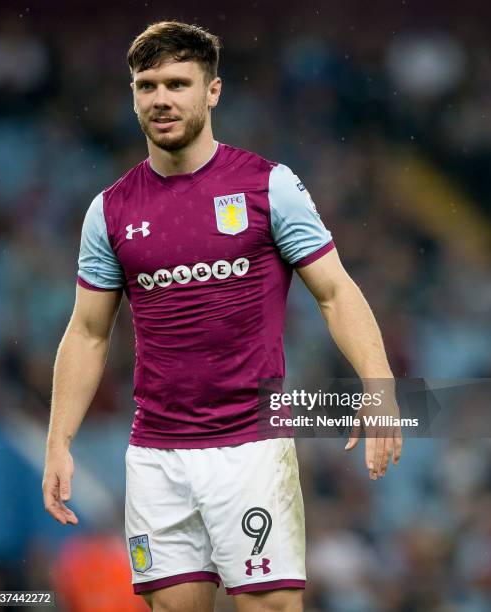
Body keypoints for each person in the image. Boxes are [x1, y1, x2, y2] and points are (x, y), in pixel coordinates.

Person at [42, 20, 402, 612]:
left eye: (178, 83)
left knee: (271, 606)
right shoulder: (109, 211)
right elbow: (87, 332)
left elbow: (335, 291)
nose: (161, 99)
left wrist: (379, 385)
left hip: (249, 446)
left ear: (212, 91)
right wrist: (59, 442)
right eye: (146, 85)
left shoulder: (268, 187)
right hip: (156, 453)